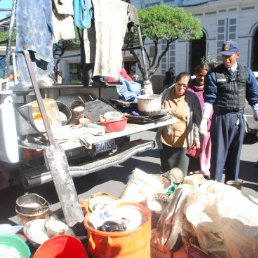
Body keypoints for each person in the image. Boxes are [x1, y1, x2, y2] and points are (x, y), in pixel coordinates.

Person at [200, 40, 258, 183]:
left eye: (229, 56)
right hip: (220, 118)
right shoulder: (214, 74)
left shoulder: (246, 73)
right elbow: (209, 99)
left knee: (234, 156)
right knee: (218, 157)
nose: (226, 59)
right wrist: (204, 119)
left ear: (237, 55)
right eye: (224, 56)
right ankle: (216, 189)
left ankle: (231, 189)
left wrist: (257, 112)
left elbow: (253, 97)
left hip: (238, 118)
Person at [156, 72, 202, 176]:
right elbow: (157, 110)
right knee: (166, 174)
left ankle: (179, 192)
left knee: (181, 175)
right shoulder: (165, 94)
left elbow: (197, 120)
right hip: (166, 141)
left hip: (183, 145)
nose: (181, 88)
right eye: (179, 84)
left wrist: (196, 138)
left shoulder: (192, 98)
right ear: (175, 82)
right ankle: (168, 192)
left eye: (185, 85)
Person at [188, 64, 212, 178]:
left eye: (204, 76)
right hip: (192, 122)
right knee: (193, 146)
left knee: (206, 147)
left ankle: (205, 169)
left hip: (207, 122)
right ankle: (192, 169)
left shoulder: (211, 87)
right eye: (199, 75)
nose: (201, 78)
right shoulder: (189, 87)